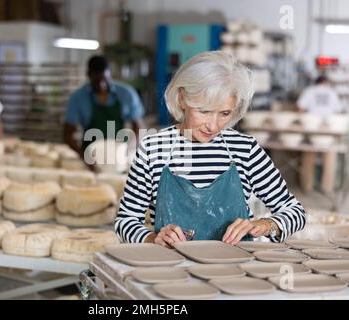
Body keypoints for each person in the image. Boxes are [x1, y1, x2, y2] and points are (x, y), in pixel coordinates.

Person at [115, 51, 306, 246]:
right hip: (172, 271)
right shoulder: (153, 149)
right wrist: (153, 238)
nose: (213, 126)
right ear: (183, 99)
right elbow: (125, 221)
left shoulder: (245, 149)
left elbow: (295, 212)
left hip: (236, 270)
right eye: (204, 111)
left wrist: (266, 225)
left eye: (224, 113)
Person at [64, 55, 145, 158]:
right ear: (88, 75)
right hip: (90, 155)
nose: (101, 85)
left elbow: (139, 128)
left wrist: (127, 149)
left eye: (104, 80)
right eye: (97, 81)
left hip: (118, 155)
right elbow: (67, 135)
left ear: (110, 74)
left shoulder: (126, 94)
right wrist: (83, 157)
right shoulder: (78, 98)